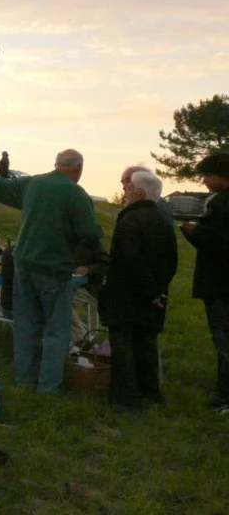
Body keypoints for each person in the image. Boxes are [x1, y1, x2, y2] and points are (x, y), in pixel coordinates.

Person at [0, 149, 104, 393]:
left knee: (26, 325)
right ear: (78, 169)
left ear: (56, 164)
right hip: (54, 268)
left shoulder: (32, 184)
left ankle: (24, 380)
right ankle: (48, 386)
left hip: (23, 264)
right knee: (57, 330)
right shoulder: (76, 193)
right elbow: (90, 234)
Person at [101, 170, 178, 409]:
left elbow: (128, 260)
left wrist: (148, 291)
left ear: (139, 192)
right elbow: (171, 261)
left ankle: (126, 399)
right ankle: (150, 392)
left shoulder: (130, 220)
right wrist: (158, 291)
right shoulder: (163, 220)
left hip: (128, 295)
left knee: (123, 346)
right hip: (154, 293)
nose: (124, 190)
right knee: (146, 343)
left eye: (128, 187)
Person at [181, 153, 229, 412]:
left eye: (208, 175)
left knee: (223, 339)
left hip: (220, 283)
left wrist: (194, 232)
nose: (204, 181)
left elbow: (217, 242)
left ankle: (225, 395)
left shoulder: (221, 204)